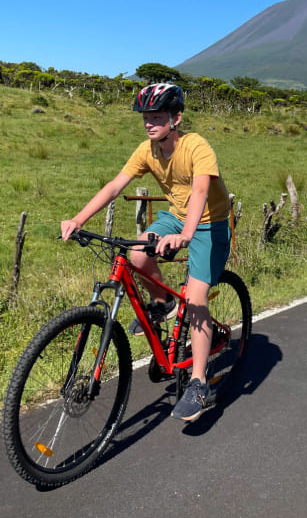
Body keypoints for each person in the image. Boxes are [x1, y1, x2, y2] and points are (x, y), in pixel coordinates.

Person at [60, 82, 231, 422]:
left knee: (196, 299)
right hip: (175, 217)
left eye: (157, 116)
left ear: (176, 118)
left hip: (210, 223)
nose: (150, 123)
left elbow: (199, 191)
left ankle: (198, 384)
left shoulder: (197, 146)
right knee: (136, 255)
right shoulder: (146, 150)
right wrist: (78, 218)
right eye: (145, 117)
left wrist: (185, 235)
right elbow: (114, 186)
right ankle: (163, 303)